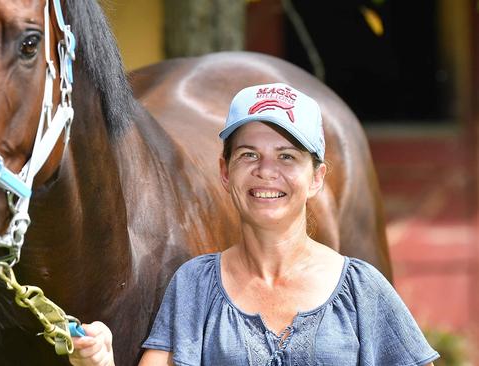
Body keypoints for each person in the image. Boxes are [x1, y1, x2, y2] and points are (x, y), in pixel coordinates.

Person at [69, 83, 440, 366]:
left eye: (287, 156)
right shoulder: (194, 287)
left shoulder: (363, 291)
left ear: (316, 178)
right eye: (249, 154)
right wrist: (101, 360)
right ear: (225, 171)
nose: (266, 172)